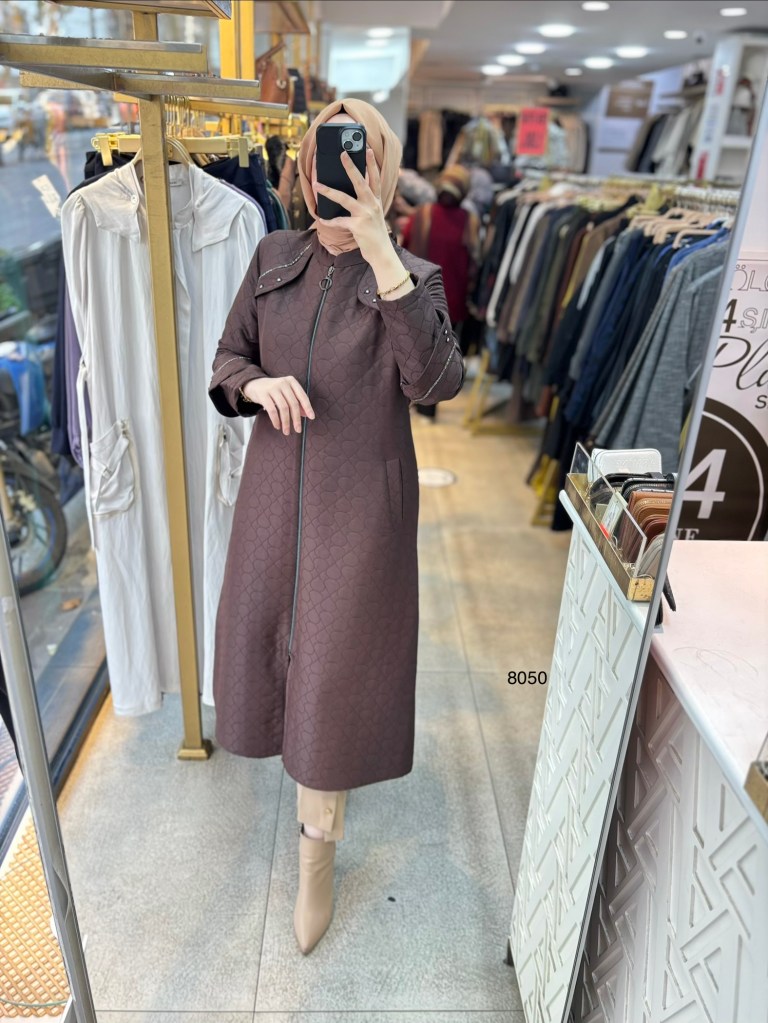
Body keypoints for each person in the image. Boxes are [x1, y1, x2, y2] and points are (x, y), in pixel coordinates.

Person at [207, 99, 464, 955]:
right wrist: (254, 385)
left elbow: (436, 381)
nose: (338, 178)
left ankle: (316, 854)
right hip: (272, 496)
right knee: (268, 653)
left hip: (360, 511)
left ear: (381, 172)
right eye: (326, 157)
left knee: (332, 676)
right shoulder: (274, 256)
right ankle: (303, 803)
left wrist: (382, 250)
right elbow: (228, 357)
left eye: (358, 160)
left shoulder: (412, 277)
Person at [401, 165, 480, 419]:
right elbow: (474, 262)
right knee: (440, 351)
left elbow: (404, 247)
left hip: (417, 293)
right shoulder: (470, 221)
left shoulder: (422, 214)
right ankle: (428, 404)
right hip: (451, 298)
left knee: (414, 345)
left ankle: (414, 400)